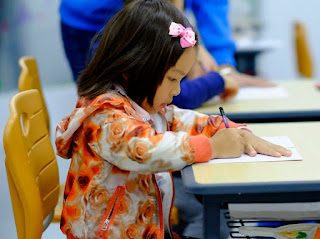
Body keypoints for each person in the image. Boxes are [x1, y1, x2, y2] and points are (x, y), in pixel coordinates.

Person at [55, 1, 292, 238]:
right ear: (133, 68)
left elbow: (179, 119)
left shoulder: (141, 105)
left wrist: (229, 128)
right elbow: (145, 149)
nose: (177, 91)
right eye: (172, 79)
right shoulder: (105, 118)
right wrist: (212, 147)